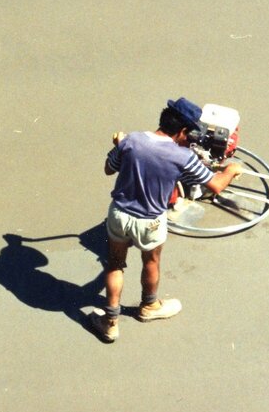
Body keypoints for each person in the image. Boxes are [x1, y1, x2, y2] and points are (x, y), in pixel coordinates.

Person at [89, 97, 245, 342]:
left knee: (115, 264)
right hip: (150, 221)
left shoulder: (131, 140)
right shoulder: (183, 158)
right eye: (189, 133)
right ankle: (149, 307)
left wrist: (118, 145)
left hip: (119, 214)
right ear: (182, 130)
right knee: (151, 262)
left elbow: (109, 168)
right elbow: (215, 185)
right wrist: (230, 171)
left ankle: (110, 321)